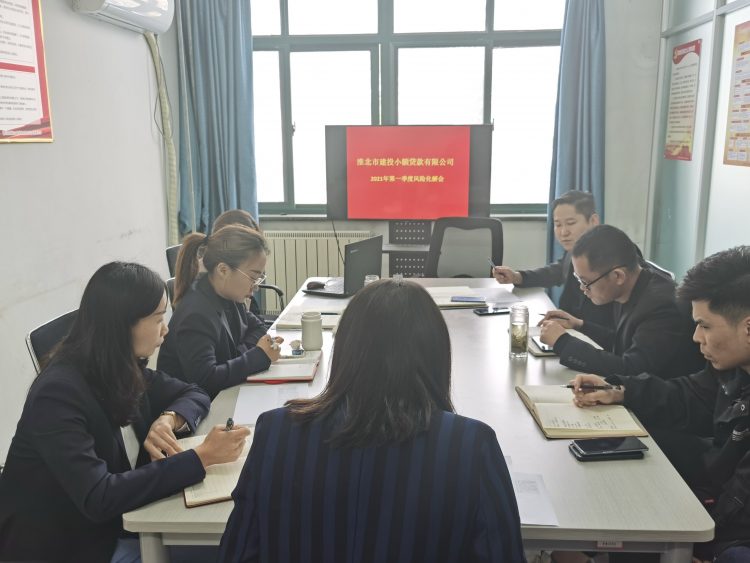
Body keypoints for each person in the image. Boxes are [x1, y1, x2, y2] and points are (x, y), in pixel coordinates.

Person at [217, 279, 525, 563]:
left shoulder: (277, 433)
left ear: (345, 350)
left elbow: (237, 553)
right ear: (437, 354)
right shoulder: (470, 445)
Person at [0, 262, 250, 562]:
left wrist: (168, 419)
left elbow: (193, 392)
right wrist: (200, 457)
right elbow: (99, 496)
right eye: (158, 319)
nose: (166, 329)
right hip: (71, 545)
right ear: (123, 325)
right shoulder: (58, 394)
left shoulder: (119, 365)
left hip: (122, 521)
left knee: (237, 542)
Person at [569, 246, 750, 562]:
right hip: (718, 497)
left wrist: (702, 547)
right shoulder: (735, 369)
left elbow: (740, 503)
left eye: (705, 325)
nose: (696, 337)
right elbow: (691, 395)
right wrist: (621, 390)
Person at [539, 224, 703, 379]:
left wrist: (562, 342)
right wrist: (579, 325)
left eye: (585, 281)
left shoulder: (661, 307)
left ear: (618, 276)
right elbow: (623, 342)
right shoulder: (632, 285)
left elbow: (631, 370)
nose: (582, 288)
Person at [158, 225, 282, 399]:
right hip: (188, 408)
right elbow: (206, 380)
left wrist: (235, 357)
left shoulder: (229, 294)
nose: (256, 286)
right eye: (253, 277)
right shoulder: (196, 314)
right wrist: (258, 356)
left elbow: (259, 328)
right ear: (223, 270)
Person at [492, 190, 613, 331]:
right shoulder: (576, 250)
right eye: (558, 224)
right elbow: (556, 271)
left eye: (571, 223)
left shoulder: (609, 258)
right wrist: (516, 277)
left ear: (593, 221)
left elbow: (609, 327)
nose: (563, 232)